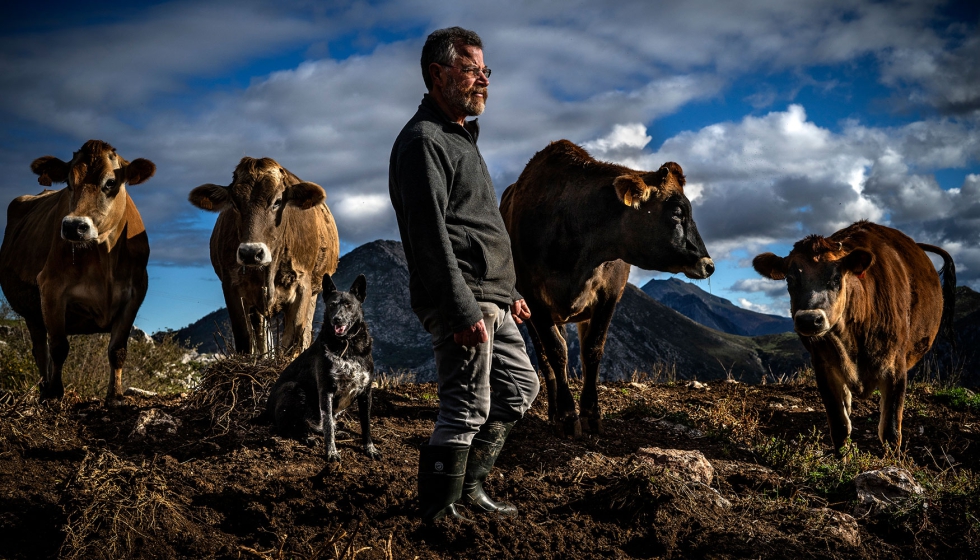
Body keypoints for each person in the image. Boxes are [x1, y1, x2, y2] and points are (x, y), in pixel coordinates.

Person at [388, 26, 540, 523]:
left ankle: (468, 488)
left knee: (519, 388)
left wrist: (509, 290)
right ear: (438, 73)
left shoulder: (460, 137)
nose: (483, 81)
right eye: (472, 69)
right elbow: (430, 236)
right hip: (464, 302)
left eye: (485, 71)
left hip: (491, 298)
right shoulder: (424, 142)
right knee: (465, 406)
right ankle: (437, 511)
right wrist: (460, 308)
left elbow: (476, 226)